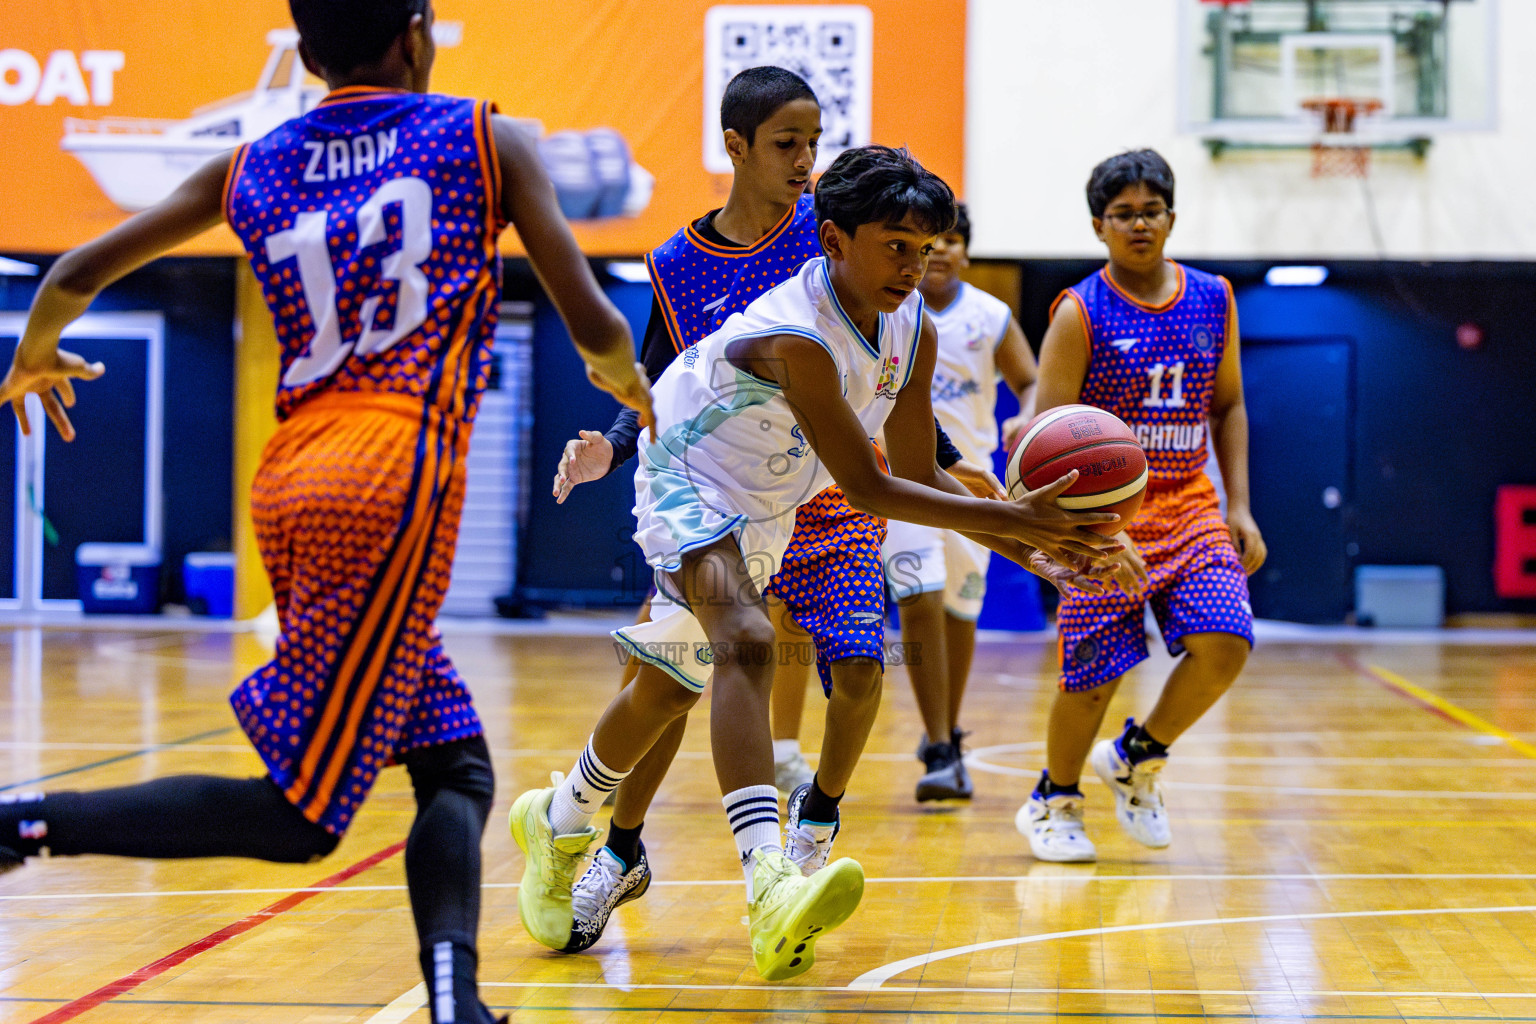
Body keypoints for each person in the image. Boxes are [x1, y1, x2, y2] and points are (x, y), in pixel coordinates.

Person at [0, 2, 650, 1021]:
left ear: (304, 54)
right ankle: (25, 824)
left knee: (456, 762)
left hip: (293, 473)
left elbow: (77, 271)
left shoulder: (247, 162)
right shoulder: (484, 136)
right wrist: (639, 392)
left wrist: (35, 352)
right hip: (392, 479)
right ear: (418, 33)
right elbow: (601, 326)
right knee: (300, 816)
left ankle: (454, 1000)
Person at [511, 144, 1121, 981]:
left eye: (923, 246)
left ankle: (562, 813)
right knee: (749, 644)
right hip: (685, 475)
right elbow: (871, 487)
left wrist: (1039, 550)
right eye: (893, 245)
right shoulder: (795, 334)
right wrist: (1022, 521)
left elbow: (915, 471)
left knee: (668, 683)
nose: (911, 265)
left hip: (764, 506)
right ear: (832, 239)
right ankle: (768, 882)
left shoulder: (915, 329)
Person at [547, 68, 997, 954]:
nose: (803, 160)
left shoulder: (838, 237)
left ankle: (812, 823)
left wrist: (951, 466)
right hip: (716, 489)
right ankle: (620, 851)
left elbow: (885, 372)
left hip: (829, 496)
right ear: (737, 146)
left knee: (860, 674)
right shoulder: (677, 262)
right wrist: (612, 439)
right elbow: (663, 371)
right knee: (670, 685)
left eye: (812, 144)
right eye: (787, 144)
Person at [1018, 149, 1266, 864]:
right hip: (1104, 518)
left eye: (1150, 211)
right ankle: (1053, 798)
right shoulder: (1079, 311)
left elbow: (1229, 406)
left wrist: (1239, 507)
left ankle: (1137, 755)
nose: (1138, 224)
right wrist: (1087, 529)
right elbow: (1043, 439)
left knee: (1226, 642)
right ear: (1099, 226)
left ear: (1171, 218)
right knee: (1092, 678)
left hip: (1191, 502)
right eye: (1122, 214)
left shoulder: (1214, 296)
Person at [881, 202, 1039, 801]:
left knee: (959, 614)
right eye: (931, 240)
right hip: (905, 481)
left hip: (973, 480)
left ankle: (943, 729)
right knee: (919, 595)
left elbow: (1028, 382)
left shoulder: (990, 316)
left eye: (952, 240)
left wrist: (1025, 417)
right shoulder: (892, 309)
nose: (941, 249)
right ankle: (942, 747)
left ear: (966, 252)